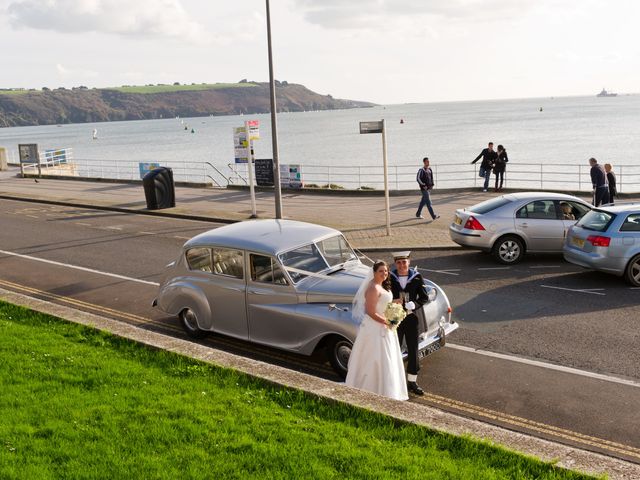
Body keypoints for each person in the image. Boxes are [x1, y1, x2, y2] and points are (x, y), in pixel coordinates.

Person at [345, 260, 408, 401]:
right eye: (381, 271)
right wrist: (387, 321)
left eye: (386, 271)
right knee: (375, 359)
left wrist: (394, 305)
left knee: (388, 359)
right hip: (375, 328)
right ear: (374, 272)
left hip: (385, 328)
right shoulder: (373, 287)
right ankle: (373, 389)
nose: (384, 273)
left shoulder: (381, 285)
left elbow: (382, 304)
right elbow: (370, 312)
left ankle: (388, 390)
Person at [389, 251, 432, 396]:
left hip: (412, 318)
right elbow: (385, 295)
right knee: (395, 349)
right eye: (399, 262)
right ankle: (395, 379)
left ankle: (412, 381)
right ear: (395, 263)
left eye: (404, 262)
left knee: (413, 350)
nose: (401, 265)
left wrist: (415, 304)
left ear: (409, 262)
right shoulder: (390, 276)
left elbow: (424, 297)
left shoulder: (417, 277)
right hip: (396, 318)